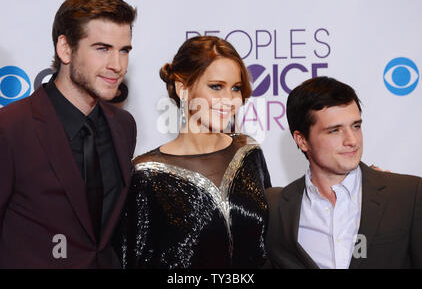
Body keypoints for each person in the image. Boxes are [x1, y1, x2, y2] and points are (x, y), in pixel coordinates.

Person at [0, 0, 137, 268]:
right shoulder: (11, 128)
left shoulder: (123, 126)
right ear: (65, 49)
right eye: (102, 49)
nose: (117, 65)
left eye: (124, 50)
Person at [116, 36, 271, 268]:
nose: (229, 100)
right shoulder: (145, 174)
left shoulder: (248, 152)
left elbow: (267, 247)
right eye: (216, 87)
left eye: (236, 88)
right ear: (182, 88)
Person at [264, 76, 422, 269]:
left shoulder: (408, 194)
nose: (352, 140)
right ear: (302, 140)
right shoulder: (274, 209)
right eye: (335, 130)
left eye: (356, 126)